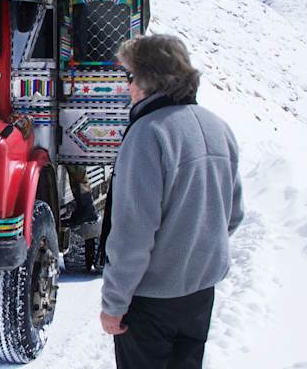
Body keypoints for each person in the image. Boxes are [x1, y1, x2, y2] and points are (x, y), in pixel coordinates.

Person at [99, 34, 244, 368]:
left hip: (151, 301)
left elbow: (133, 233)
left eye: (131, 76)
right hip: (200, 295)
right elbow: (233, 215)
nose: (128, 86)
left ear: (149, 79)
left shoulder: (147, 133)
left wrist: (114, 304)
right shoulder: (218, 127)